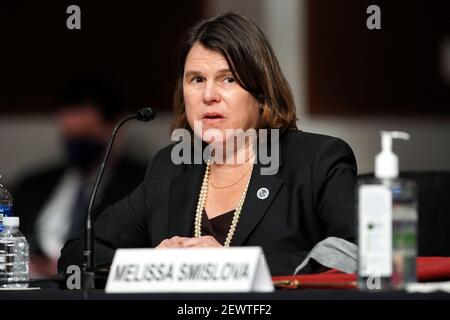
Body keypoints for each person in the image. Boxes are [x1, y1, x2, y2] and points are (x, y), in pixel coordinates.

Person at [58, 13, 357, 277]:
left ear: (262, 93)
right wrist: (152, 263)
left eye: (228, 79)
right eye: (197, 79)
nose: (209, 95)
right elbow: (76, 254)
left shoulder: (318, 160)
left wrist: (231, 263)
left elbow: (355, 253)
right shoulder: (172, 167)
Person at [13, 76, 146, 277]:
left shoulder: (141, 185)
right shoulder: (31, 186)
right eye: (69, 133)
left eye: (86, 132)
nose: (77, 142)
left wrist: (70, 265)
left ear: (115, 131)